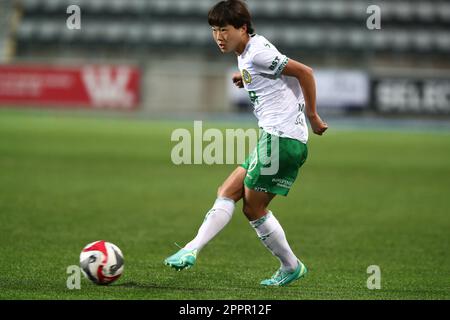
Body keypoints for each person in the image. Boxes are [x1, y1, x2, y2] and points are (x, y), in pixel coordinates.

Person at [164, 0, 328, 287]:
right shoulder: (250, 50)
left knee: (253, 209)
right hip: (275, 138)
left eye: (224, 29)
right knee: (227, 191)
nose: (218, 36)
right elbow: (273, 72)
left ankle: (291, 266)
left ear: (242, 28)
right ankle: (191, 248)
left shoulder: (258, 54)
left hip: (281, 140)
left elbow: (306, 73)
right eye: (214, 30)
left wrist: (313, 115)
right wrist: (247, 77)